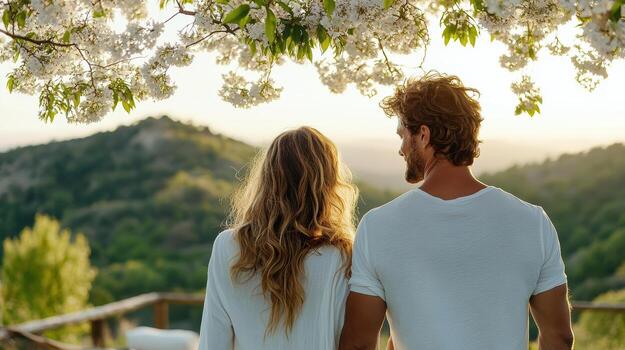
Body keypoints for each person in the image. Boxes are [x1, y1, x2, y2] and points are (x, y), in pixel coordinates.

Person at [339, 72, 574, 350]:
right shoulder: (532, 221)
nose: (401, 149)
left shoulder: (377, 226)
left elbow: (358, 344)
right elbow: (560, 336)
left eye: (403, 136)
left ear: (423, 135)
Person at [198, 126, 358, 349]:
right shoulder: (343, 255)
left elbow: (213, 342)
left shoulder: (227, 246)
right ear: (329, 184)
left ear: (267, 178)